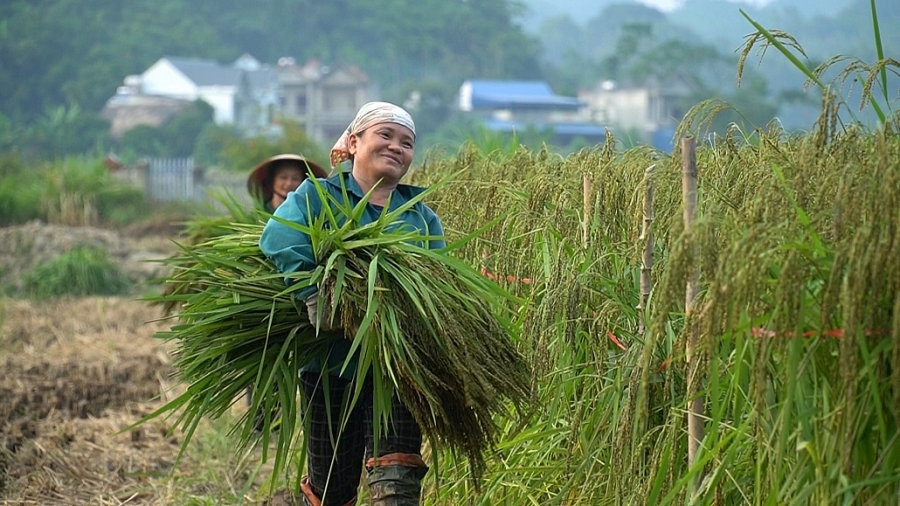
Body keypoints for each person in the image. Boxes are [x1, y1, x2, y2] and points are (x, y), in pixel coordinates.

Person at [259, 102, 444, 506]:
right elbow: (277, 237)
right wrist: (312, 293)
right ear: (354, 142)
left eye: (407, 142)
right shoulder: (319, 196)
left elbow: (439, 283)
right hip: (331, 365)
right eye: (386, 135)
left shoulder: (421, 217)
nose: (397, 147)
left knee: (397, 481)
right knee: (333, 491)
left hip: (398, 369)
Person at [247, 154, 330, 212]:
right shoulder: (257, 215)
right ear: (271, 180)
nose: (289, 183)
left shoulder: (309, 215)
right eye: (283, 177)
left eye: (295, 179)